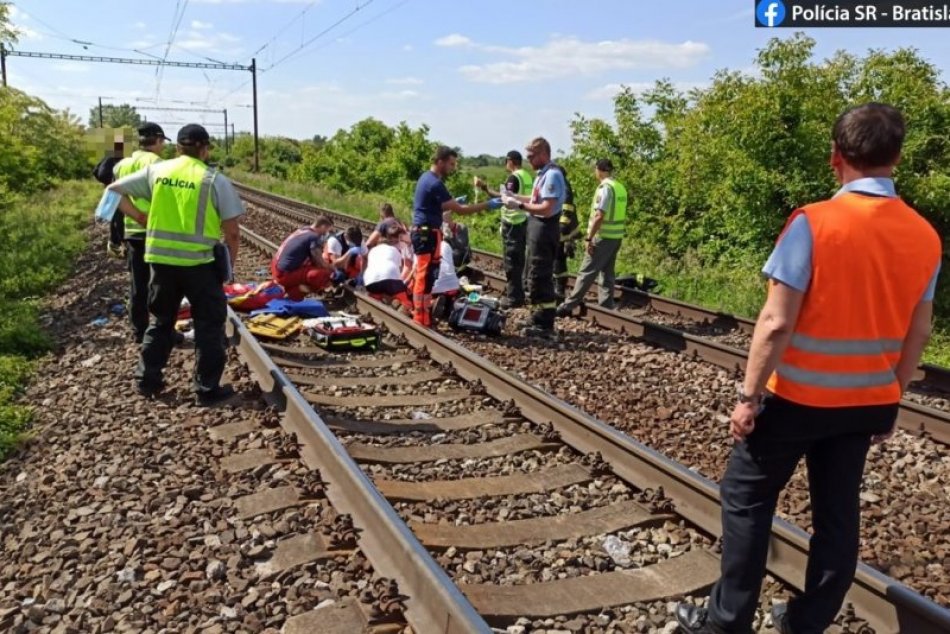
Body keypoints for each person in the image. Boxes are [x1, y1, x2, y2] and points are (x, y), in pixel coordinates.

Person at [674, 103, 942, 634]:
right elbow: (920, 331)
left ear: (836, 157)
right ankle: (805, 622)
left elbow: (775, 322)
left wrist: (748, 398)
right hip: (865, 402)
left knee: (746, 500)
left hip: (794, 399)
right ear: (898, 158)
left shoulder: (813, 223)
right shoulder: (924, 235)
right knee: (838, 518)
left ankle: (727, 623)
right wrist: (891, 395)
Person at [108, 124, 245, 406]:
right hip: (200, 265)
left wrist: (139, 217)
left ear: (178, 148)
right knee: (209, 327)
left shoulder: (158, 171)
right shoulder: (214, 180)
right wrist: (229, 267)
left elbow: (113, 190)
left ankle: (148, 381)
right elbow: (231, 232)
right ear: (204, 149)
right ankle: (206, 389)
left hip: (160, 263)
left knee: (160, 321)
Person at [410, 145, 502, 327]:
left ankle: (424, 314)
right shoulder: (435, 183)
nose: (452, 168)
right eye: (451, 164)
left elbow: (437, 206)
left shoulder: (426, 178)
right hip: (426, 234)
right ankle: (420, 317)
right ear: (440, 162)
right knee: (424, 275)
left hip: (428, 232)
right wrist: (487, 205)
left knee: (429, 276)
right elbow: (461, 211)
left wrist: (449, 204)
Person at [499, 137, 566, 337]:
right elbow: (535, 199)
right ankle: (537, 316)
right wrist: (515, 198)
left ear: (543, 154)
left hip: (545, 227)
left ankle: (544, 324)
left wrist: (518, 206)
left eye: (531, 156)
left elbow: (546, 208)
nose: (528, 160)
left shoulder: (552, 175)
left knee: (540, 275)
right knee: (533, 274)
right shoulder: (541, 174)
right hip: (537, 227)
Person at [112, 123, 168, 343]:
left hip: (132, 232)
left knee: (138, 282)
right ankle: (160, 328)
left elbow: (114, 195)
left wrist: (135, 215)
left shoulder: (122, 165)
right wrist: (145, 217)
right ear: (158, 140)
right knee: (160, 283)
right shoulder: (159, 164)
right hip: (154, 231)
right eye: (163, 142)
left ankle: (139, 329)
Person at [556, 159, 627, 316]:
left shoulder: (605, 188)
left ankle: (568, 306)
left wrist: (589, 238)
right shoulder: (619, 187)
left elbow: (599, 215)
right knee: (607, 273)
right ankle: (606, 306)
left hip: (602, 236)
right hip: (616, 236)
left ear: (600, 170)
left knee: (586, 271)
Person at [475, 150, 534, 308]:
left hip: (512, 224)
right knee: (519, 259)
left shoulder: (514, 177)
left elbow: (504, 199)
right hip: (523, 221)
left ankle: (514, 298)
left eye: (506, 161)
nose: (505, 164)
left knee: (511, 262)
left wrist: (485, 188)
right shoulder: (527, 175)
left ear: (511, 161)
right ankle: (518, 293)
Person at [271, 215, 335, 301]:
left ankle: (293, 292)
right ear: (323, 226)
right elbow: (320, 262)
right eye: (327, 230)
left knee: (312, 267)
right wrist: (333, 268)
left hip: (276, 268)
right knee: (322, 274)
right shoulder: (314, 237)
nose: (327, 233)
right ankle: (298, 292)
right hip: (284, 275)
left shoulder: (303, 230)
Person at [364, 224, 413, 312]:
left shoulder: (372, 251)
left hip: (370, 282)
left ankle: (377, 301)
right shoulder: (394, 250)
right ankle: (406, 306)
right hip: (390, 280)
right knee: (401, 295)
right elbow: (398, 270)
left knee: (377, 293)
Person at [92, 140, 126, 259]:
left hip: (111, 190)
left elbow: (96, 171)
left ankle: (114, 245)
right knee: (119, 218)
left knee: (114, 218)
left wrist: (106, 184)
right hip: (118, 191)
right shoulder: (119, 159)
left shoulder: (107, 157)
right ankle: (121, 246)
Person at [551, 164, 579, 300]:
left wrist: (561, 226)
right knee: (557, 258)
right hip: (560, 227)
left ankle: (559, 289)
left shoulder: (564, 186)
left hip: (563, 228)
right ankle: (557, 286)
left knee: (558, 258)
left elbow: (567, 208)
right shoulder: (562, 184)